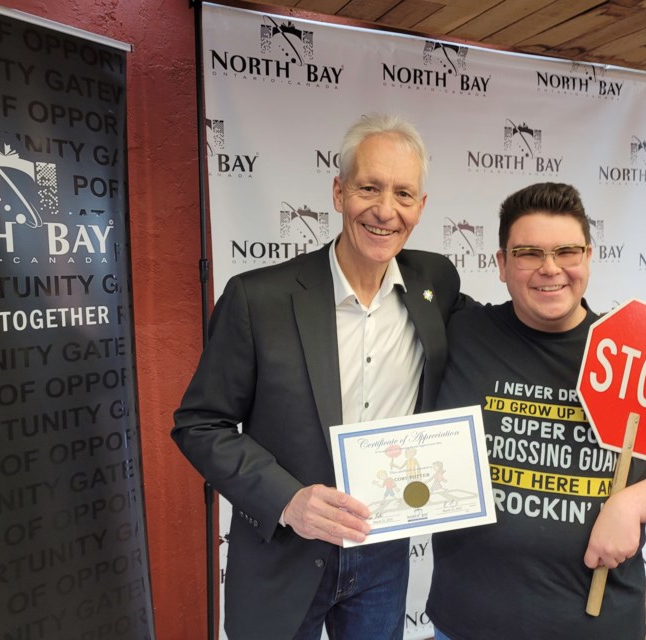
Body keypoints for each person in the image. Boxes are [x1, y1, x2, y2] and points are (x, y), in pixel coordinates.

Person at [172, 113, 464, 640]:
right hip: (282, 555)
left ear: (420, 208)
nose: (384, 210)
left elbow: (499, 333)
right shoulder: (256, 298)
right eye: (369, 187)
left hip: (382, 554)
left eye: (403, 194)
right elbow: (199, 424)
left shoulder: (434, 282)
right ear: (338, 192)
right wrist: (288, 499)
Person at [427, 182, 646, 640]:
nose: (550, 269)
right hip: (467, 621)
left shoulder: (636, 350)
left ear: (588, 257)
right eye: (528, 253)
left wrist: (630, 504)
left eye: (567, 251)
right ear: (502, 264)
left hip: (592, 624)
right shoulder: (463, 331)